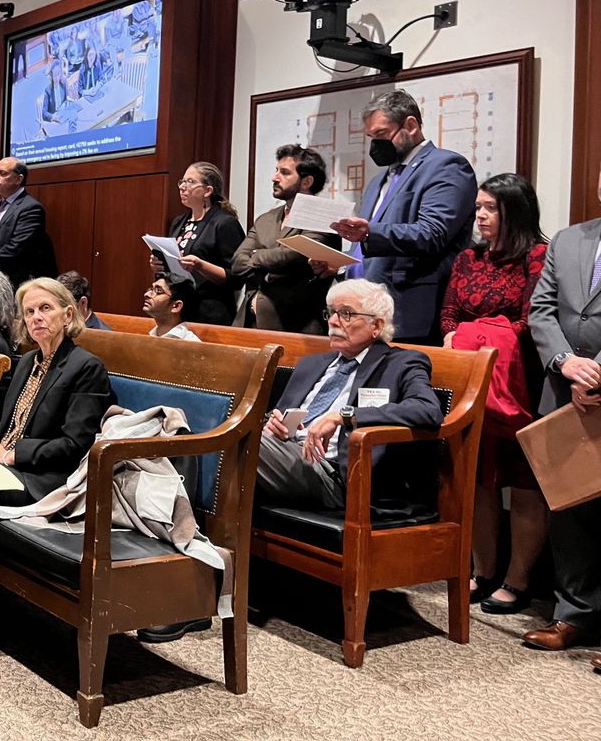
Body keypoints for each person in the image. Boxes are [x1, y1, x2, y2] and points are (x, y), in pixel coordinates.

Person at [437, 174, 548, 614]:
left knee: (524, 483)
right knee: (477, 479)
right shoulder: (468, 258)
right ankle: (483, 572)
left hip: (522, 383)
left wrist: (472, 334)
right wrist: (460, 335)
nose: (479, 215)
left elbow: (530, 321)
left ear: (513, 212)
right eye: (478, 207)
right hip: (473, 379)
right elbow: (447, 314)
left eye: (489, 208)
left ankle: (518, 581)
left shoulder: (538, 256)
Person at [255, 280, 442, 511]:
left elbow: (428, 410)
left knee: (236, 440)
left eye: (346, 314)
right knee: (223, 437)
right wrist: (272, 424)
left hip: (336, 474)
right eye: (332, 312)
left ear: (377, 325)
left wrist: (344, 417)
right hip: (285, 456)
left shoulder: (401, 363)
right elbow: (275, 418)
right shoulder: (311, 364)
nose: (333, 321)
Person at [523, 162, 601, 660]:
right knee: (568, 507)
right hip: (564, 388)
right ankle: (574, 614)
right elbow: (542, 309)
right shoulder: (570, 239)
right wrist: (567, 363)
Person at [324, 89, 478, 343]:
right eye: (371, 137)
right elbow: (365, 246)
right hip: (364, 312)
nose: (376, 144)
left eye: (382, 134)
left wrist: (371, 232)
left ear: (411, 125)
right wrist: (340, 266)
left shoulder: (446, 166)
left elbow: (432, 233)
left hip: (409, 309)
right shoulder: (378, 181)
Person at [0, 277, 113, 502]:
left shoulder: (86, 367)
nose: (36, 318)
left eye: (45, 308)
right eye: (29, 312)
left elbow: (76, 444)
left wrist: (11, 456)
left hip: (43, 478)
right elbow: (8, 424)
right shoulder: (26, 361)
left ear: (67, 316)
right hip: (1, 464)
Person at [231, 145, 340, 333]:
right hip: (248, 324)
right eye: (276, 171)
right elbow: (237, 263)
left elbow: (291, 258)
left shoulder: (323, 218)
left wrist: (255, 256)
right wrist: (267, 270)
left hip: (296, 327)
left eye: (284, 173)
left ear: (306, 182)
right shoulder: (266, 218)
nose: (275, 177)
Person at [151, 161, 244, 325]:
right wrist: (160, 265)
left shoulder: (224, 223)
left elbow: (236, 278)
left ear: (207, 191)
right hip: (179, 310)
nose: (182, 187)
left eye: (190, 182)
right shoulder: (180, 222)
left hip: (210, 313)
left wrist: (201, 266)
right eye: (182, 181)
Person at [0, 157, 58, 289]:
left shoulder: (31, 208)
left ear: (18, 179)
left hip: (14, 282)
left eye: (3, 173)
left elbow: (16, 248)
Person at [143, 271, 200, 341]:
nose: (147, 294)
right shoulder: (151, 335)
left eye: (158, 291)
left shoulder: (191, 343)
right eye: (151, 289)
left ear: (176, 306)